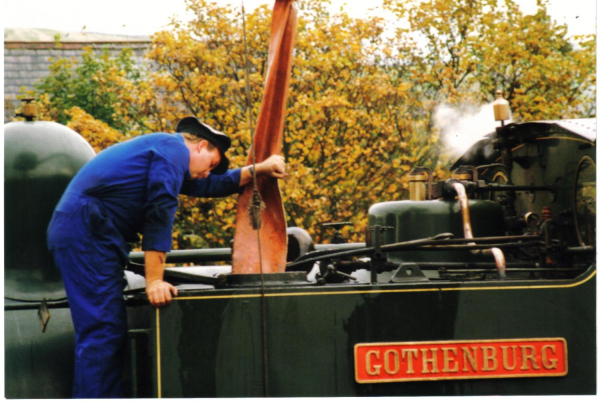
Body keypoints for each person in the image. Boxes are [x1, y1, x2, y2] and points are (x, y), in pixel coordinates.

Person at [47, 116, 287, 398]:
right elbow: (160, 211)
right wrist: (153, 281)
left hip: (93, 233)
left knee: (105, 331)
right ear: (201, 146)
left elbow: (210, 186)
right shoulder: (172, 150)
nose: (208, 173)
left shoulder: (164, 151)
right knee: (103, 331)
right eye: (211, 164)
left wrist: (259, 169)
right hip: (86, 232)